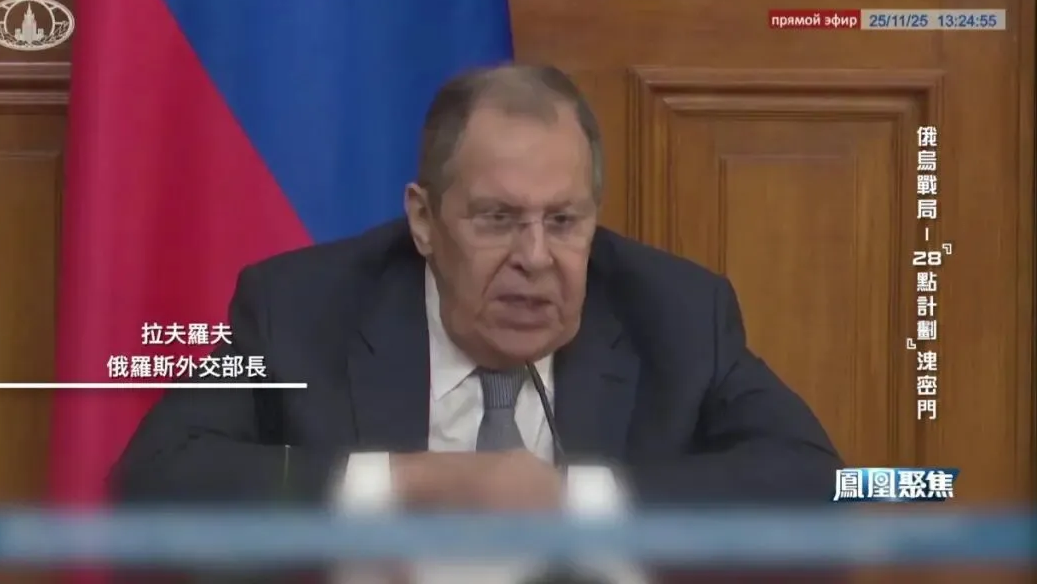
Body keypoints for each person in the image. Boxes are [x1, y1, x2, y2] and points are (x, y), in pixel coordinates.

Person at [112, 64, 842, 510]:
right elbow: (155, 482)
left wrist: (574, 498)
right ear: (424, 220)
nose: (536, 258)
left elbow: (816, 483)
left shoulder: (676, 314)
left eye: (564, 221)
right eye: (498, 219)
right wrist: (413, 484)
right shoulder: (301, 310)